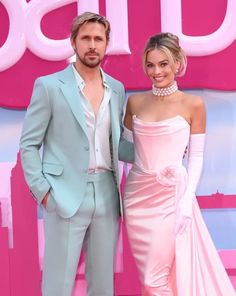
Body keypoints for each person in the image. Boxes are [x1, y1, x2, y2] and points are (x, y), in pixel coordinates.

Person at [20, 12, 133, 296]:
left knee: (103, 287)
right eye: (86, 38)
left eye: (98, 39)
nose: (92, 45)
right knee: (58, 286)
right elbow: (28, 145)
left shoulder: (116, 89)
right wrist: (44, 191)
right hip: (64, 195)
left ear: (107, 45)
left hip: (107, 195)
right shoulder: (49, 86)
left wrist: (160, 151)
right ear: (73, 42)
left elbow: (114, 145)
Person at [122, 32, 235, 295]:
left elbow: (196, 157)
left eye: (163, 64)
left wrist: (187, 200)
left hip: (171, 199)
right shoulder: (135, 102)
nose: (156, 71)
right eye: (150, 65)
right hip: (137, 199)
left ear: (177, 63)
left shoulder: (193, 105)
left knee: (154, 278)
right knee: (150, 278)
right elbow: (125, 151)